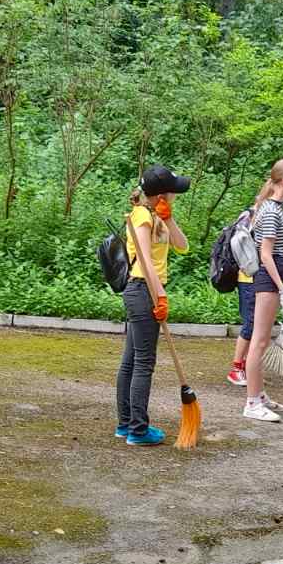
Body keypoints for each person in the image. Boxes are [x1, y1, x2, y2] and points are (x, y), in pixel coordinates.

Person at [115, 167, 191, 445]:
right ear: (161, 194)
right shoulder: (141, 217)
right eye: (173, 192)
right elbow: (146, 262)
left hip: (146, 291)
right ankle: (137, 429)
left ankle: (125, 424)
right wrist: (160, 296)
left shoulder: (158, 216)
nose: (176, 196)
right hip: (143, 289)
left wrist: (169, 220)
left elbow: (183, 246)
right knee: (142, 363)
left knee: (132, 360)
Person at [243, 158, 283, 423]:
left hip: (273, 277)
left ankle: (260, 394)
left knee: (263, 339)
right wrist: (282, 289)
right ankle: (252, 402)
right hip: (268, 278)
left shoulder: (275, 209)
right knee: (259, 341)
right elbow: (266, 254)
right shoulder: (269, 210)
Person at [226, 205, 256, 388]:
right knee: (250, 324)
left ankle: (246, 365)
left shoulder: (272, 214)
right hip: (248, 277)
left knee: (256, 325)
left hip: (261, 279)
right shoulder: (248, 216)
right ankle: (236, 368)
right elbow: (239, 242)